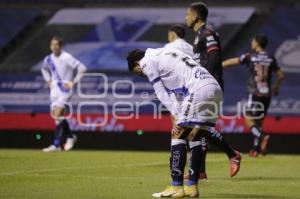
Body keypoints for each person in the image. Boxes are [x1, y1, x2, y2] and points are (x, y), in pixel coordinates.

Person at [127, 48, 241, 198]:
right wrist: (179, 115)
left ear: (136, 63)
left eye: (137, 71)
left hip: (198, 90)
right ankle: (192, 187)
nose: (141, 74)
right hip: (214, 88)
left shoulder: (146, 61)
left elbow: (160, 92)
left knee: (178, 134)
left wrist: (175, 116)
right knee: (195, 136)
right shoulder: (166, 53)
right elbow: (176, 92)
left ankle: (176, 187)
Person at [222, 34, 284, 157]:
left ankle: (262, 136)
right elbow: (281, 75)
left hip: (255, 93)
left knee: (248, 120)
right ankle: (256, 149)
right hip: (267, 94)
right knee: (259, 121)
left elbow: (233, 61)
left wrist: (219, 65)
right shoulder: (271, 58)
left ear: (257, 43)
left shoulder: (251, 56)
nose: (251, 43)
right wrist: (276, 87)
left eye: (252, 41)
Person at [185, 1, 224, 180]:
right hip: (203, 85)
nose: (186, 17)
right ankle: (200, 170)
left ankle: (232, 154)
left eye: (188, 14)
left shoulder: (207, 33)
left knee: (197, 128)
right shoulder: (199, 34)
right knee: (199, 128)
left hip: (207, 86)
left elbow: (215, 58)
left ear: (196, 17)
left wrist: (204, 79)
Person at [41, 36, 87, 152]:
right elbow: (44, 69)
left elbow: (82, 68)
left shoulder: (66, 57)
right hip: (54, 89)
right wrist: (48, 80)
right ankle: (70, 136)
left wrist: (73, 82)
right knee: (57, 118)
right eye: (52, 44)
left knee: (57, 114)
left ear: (60, 46)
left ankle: (56, 144)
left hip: (65, 89)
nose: (54, 46)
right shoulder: (48, 59)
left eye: (56, 44)